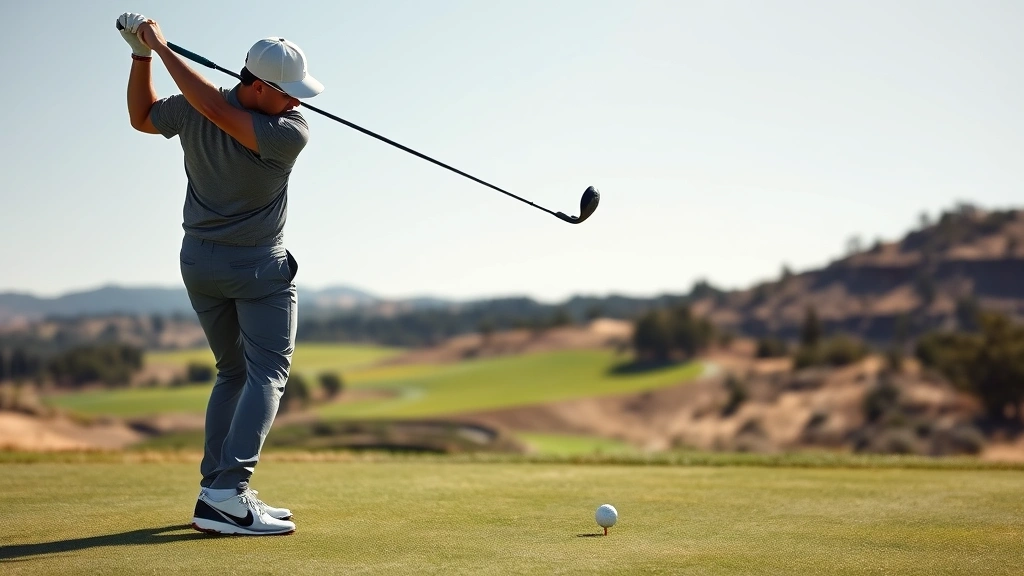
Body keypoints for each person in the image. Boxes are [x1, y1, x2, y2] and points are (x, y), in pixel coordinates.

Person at [118, 12, 324, 536]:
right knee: (267, 374)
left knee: (232, 372)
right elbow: (146, 115)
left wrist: (148, 51)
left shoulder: (282, 129)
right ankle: (226, 492)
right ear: (256, 85)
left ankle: (217, 492)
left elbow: (161, 114)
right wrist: (150, 54)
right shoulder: (284, 130)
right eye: (289, 92)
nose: (298, 102)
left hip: (200, 262)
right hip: (256, 267)